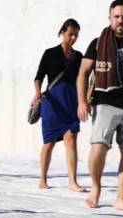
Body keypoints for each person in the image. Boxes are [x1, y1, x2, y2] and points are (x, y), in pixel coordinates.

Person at [77, 0, 123, 213]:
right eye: (117, 16)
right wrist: (82, 101)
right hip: (106, 103)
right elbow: (83, 74)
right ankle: (96, 188)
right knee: (98, 148)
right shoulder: (98, 43)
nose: (121, 20)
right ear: (110, 18)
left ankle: (121, 199)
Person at [33, 19, 85, 191]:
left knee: (72, 138)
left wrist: (84, 100)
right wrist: (38, 92)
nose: (73, 38)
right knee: (50, 141)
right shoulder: (50, 53)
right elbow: (39, 76)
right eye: (71, 34)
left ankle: (72, 181)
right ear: (62, 32)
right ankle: (42, 179)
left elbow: (82, 79)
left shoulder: (78, 57)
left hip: (71, 101)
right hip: (53, 102)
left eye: (76, 35)